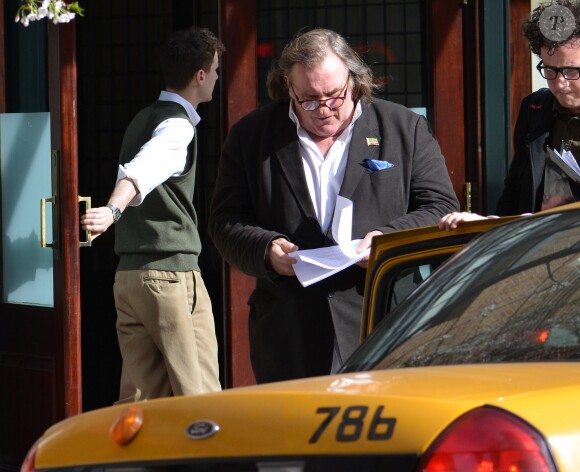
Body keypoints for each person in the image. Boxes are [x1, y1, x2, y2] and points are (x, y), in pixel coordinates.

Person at [208, 28, 459, 383]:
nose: (323, 109)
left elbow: (439, 207)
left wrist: (387, 240)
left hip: (382, 322)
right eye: (308, 99)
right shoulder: (251, 136)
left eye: (334, 96)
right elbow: (224, 221)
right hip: (289, 333)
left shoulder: (404, 128)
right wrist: (266, 250)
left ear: (355, 81)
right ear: (288, 88)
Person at [80, 26, 225, 402]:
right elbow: (141, 171)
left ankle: (125, 462)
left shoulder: (143, 118)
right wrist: (113, 210)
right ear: (199, 76)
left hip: (129, 276)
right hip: (170, 276)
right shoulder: (177, 127)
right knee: (199, 397)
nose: (216, 78)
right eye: (215, 70)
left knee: (139, 399)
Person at [440, 1, 580, 231]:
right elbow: (516, 191)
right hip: (543, 253)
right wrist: (490, 225)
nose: (560, 83)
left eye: (571, 70)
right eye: (550, 70)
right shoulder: (535, 108)